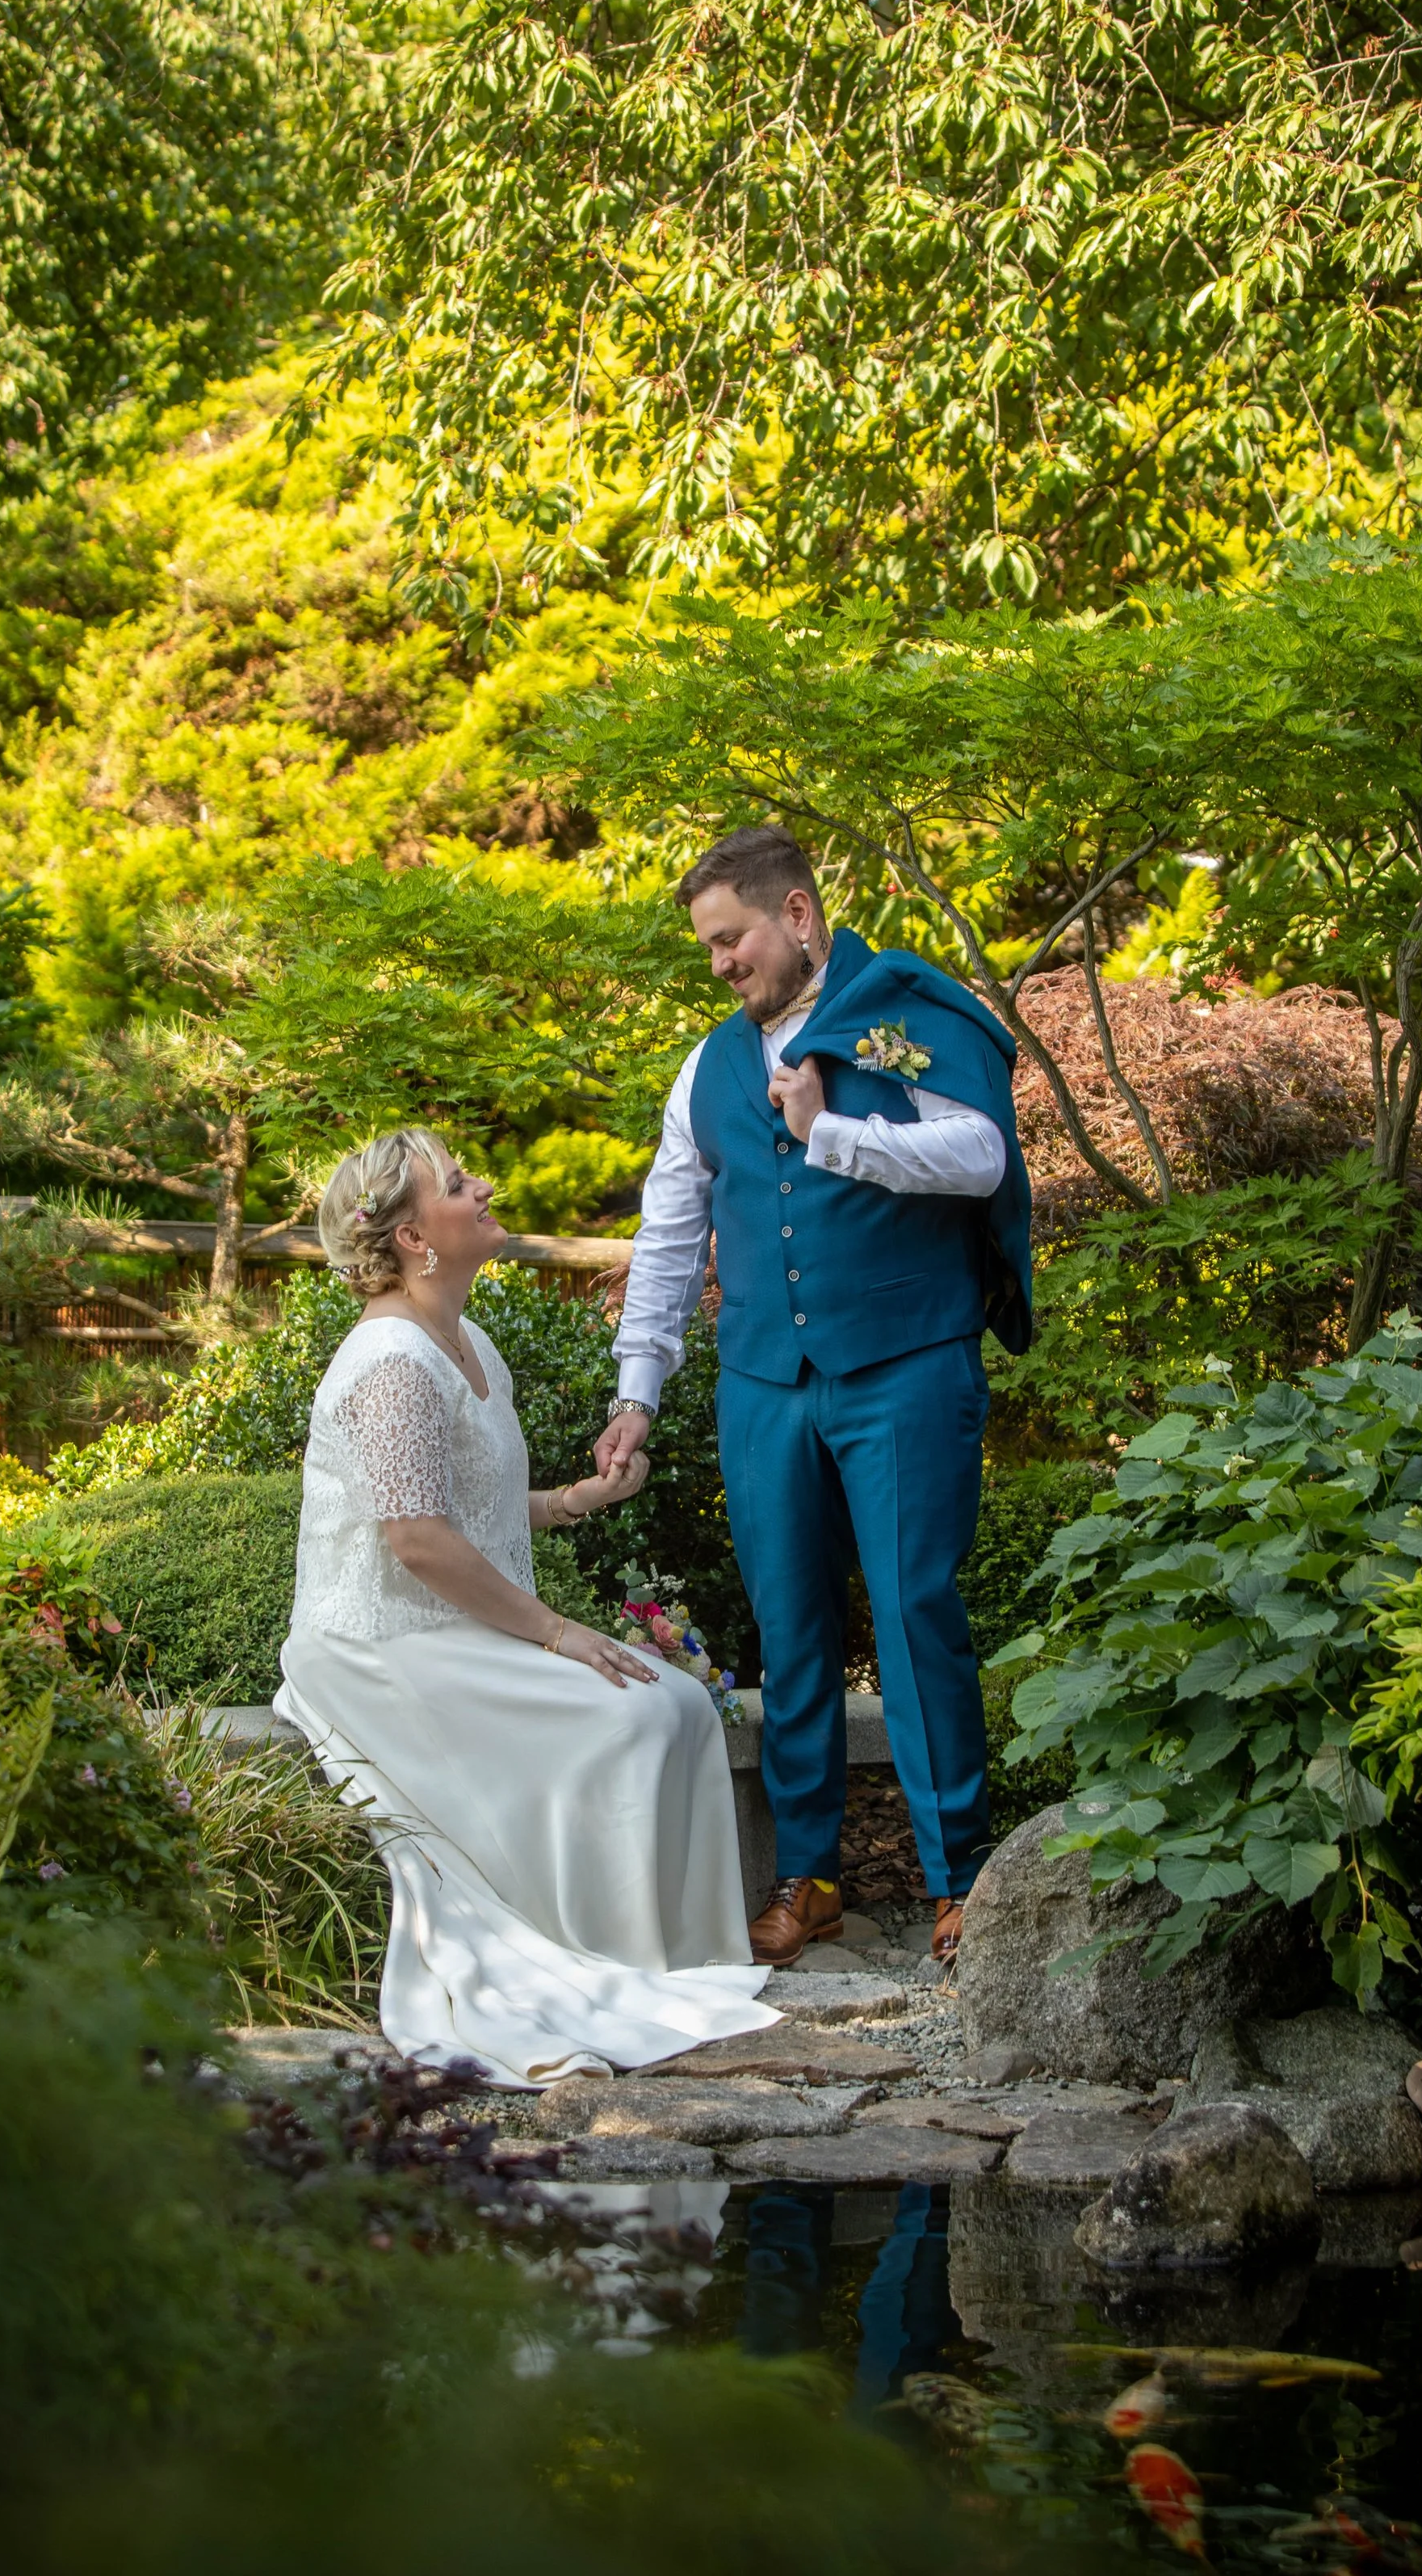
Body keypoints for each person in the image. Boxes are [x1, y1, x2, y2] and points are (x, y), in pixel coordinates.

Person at [595, 826, 1034, 1968]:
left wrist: (828, 1131)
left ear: (796, 916)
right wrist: (639, 1386)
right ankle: (811, 1875)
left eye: (730, 938)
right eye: (706, 946)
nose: (719, 964)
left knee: (911, 1612)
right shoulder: (708, 1067)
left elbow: (980, 1154)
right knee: (790, 1632)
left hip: (906, 1363)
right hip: (763, 1382)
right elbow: (670, 1234)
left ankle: (960, 1880)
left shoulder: (907, 1012)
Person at [273, 1124, 777, 2086]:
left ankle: (677, 1965)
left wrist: (575, 1501)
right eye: (459, 1183)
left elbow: (471, 1509)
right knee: (635, 1716)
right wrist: (556, 1634)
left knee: (675, 1706)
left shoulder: (465, 1341)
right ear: (415, 1237)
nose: (484, 1186)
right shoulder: (390, 1359)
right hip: (380, 1646)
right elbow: (413, 1540)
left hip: (449, 1625)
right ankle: (605, 1963)